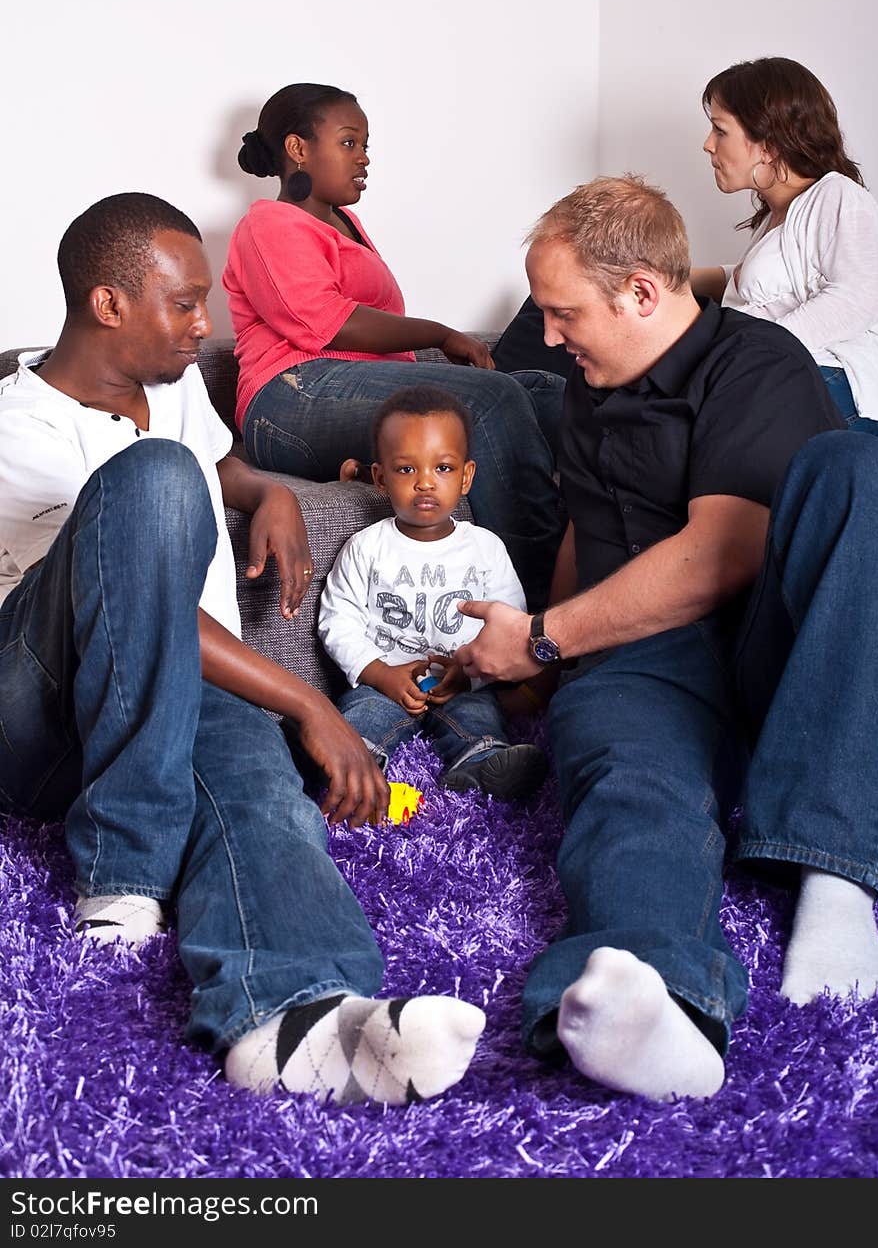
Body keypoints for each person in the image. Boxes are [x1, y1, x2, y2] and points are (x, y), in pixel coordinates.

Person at [0, 192, 485, 1106]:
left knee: (263, 795)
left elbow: (219, 464)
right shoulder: (15, 427)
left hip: (186, 691)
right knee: (152, 476)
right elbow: (132, 609)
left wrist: (272, 491)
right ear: (108, 305)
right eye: (183, 303)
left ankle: (300, 1016)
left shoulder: (175, 385)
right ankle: (122, 870)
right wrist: (304, 701)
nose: (205, 325)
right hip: (41, 716)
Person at [456, 175, 878, 1103]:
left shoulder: (757, 361)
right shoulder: (588, 388)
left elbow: (725, 553)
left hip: (775, 644)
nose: (551, 336)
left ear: (642, 293)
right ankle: (654, 995)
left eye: (565, 314)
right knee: (630, 787)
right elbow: (583, 527)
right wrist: (546, 677)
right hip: (639, 661)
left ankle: (838, 875)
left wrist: (541, 638)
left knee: (861, 461)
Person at [222, 82, 565, 609]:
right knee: (490, 400)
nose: (364, 158)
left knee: (548, 392)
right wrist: (441, 334)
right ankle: (541, 620)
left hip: (343, 393)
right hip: (289, 396)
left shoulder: (346, 224)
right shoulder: (269, 224)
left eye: (365, 145)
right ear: (298, 149)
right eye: (348, 143)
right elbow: (326, 325)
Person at [318, 385, 547, 802]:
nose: (425, 483)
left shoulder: (485, 547)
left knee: (478, 716)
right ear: (380, 477)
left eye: (442, 468)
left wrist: (471, 675)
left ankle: (479, 763)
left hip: (457, 680)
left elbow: (507, 621)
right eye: (407, 470)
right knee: (363, 714)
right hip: (384, 680)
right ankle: (359, 768)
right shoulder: (367, 547)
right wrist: (378, 673)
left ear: (466, 477)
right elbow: (338, 619)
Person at [692, 56, 878, 431]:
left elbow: (859, 296)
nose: (707, 145)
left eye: (720, 130)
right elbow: (775, 285)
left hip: (828, 382)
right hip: (781, 377)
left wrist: (749, 351)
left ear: (769, 144)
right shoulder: (778, 217)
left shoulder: (837, 195)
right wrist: (674, 277)